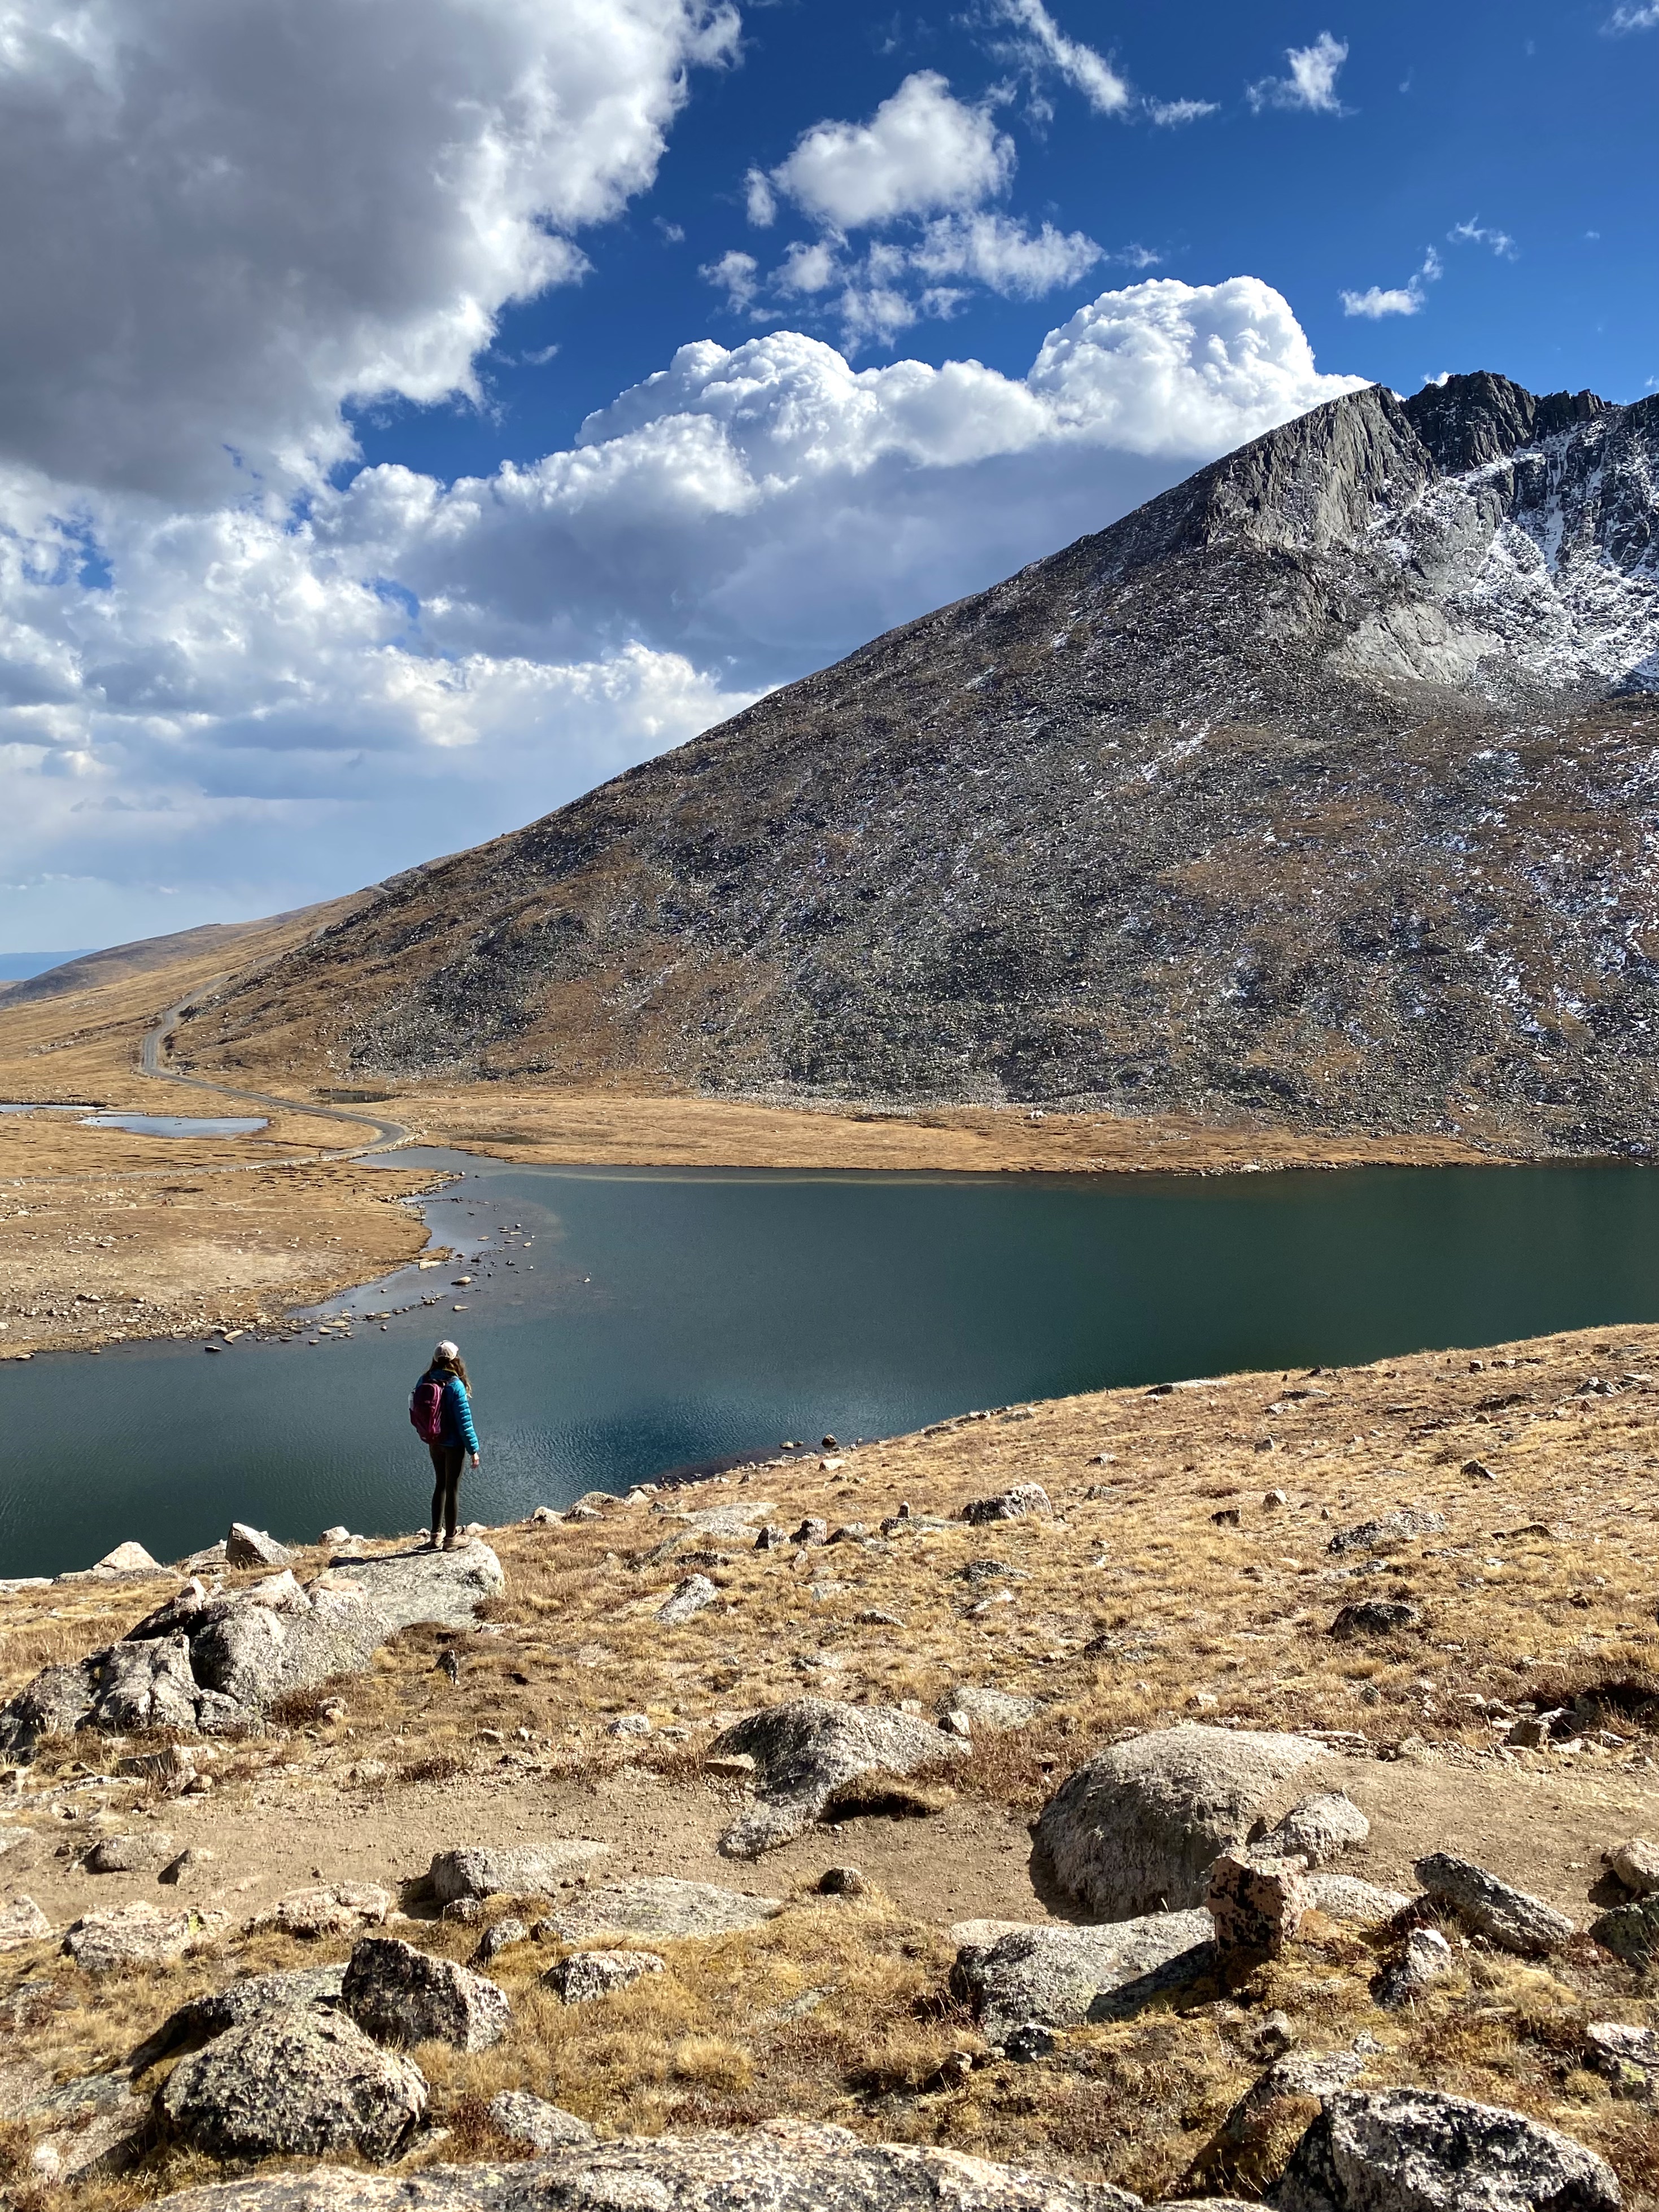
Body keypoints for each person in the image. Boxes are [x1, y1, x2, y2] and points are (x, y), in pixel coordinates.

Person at [413, 1340, 479, 1550]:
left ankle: (435, 1537)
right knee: (452, 1488)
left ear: (435, 1360)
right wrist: (473, 1450)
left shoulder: (424, 1379)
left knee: (440, 1485)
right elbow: (464, 1422)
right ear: (454, 1360)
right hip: (453, 1445)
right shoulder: (455, 1385)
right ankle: (451, 1539)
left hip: (434, 1442)